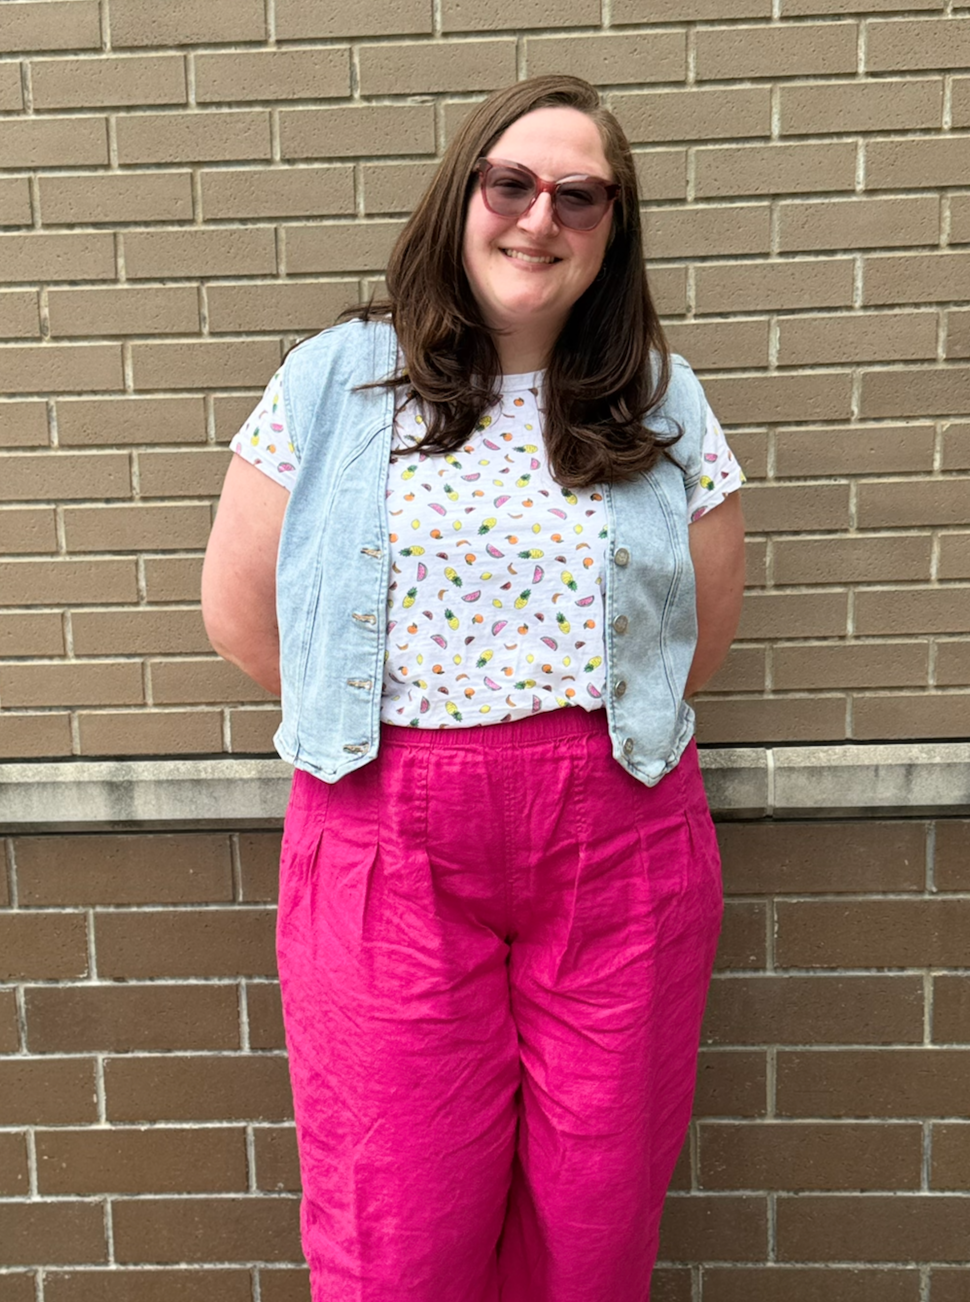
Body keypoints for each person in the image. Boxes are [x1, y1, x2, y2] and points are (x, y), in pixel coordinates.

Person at [202, 74, 745, 1302]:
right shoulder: (340, 379)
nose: (538, 218)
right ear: (463, 198)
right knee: (400, 1218)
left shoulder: (658, 397)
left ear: (612, 234)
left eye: (579, 196)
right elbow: (239, 611)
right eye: (511, 184)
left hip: (618, 841)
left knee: (596, 1212)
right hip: (386, 834)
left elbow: (692, 634)